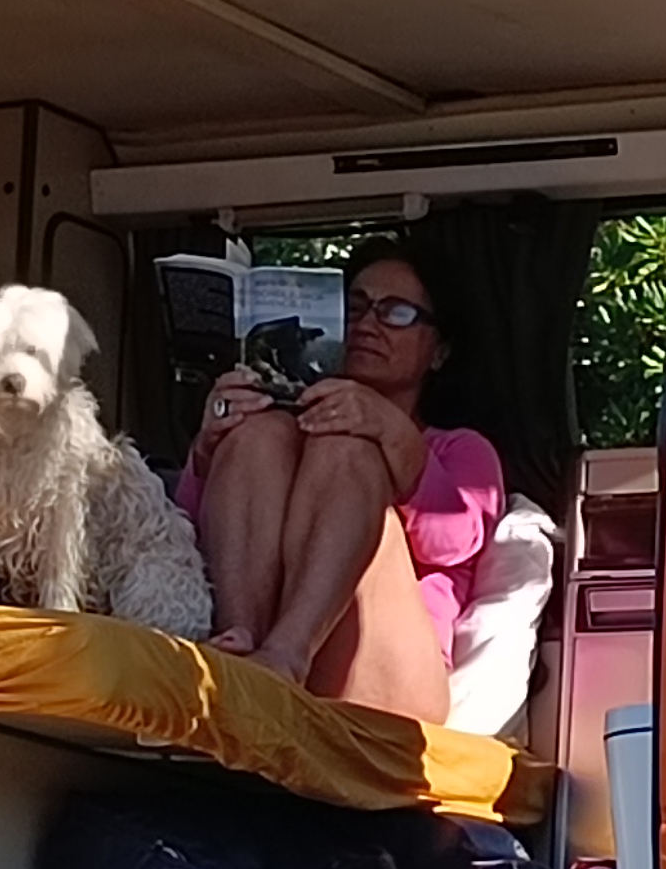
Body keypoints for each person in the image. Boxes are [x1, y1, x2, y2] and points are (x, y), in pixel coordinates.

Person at [182, 242, 504, 721]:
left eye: (395, 313)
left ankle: (285, 655)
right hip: (255, 639)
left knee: (346, 446)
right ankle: (242, 643)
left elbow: (454, 541)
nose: (367, 324)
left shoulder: (459, 448)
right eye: (355, 308)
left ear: (439, 351)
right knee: (264, 432)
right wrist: (210, 446)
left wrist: (390, 434)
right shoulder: (278, 433)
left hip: (389, 680)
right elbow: (184, 526)